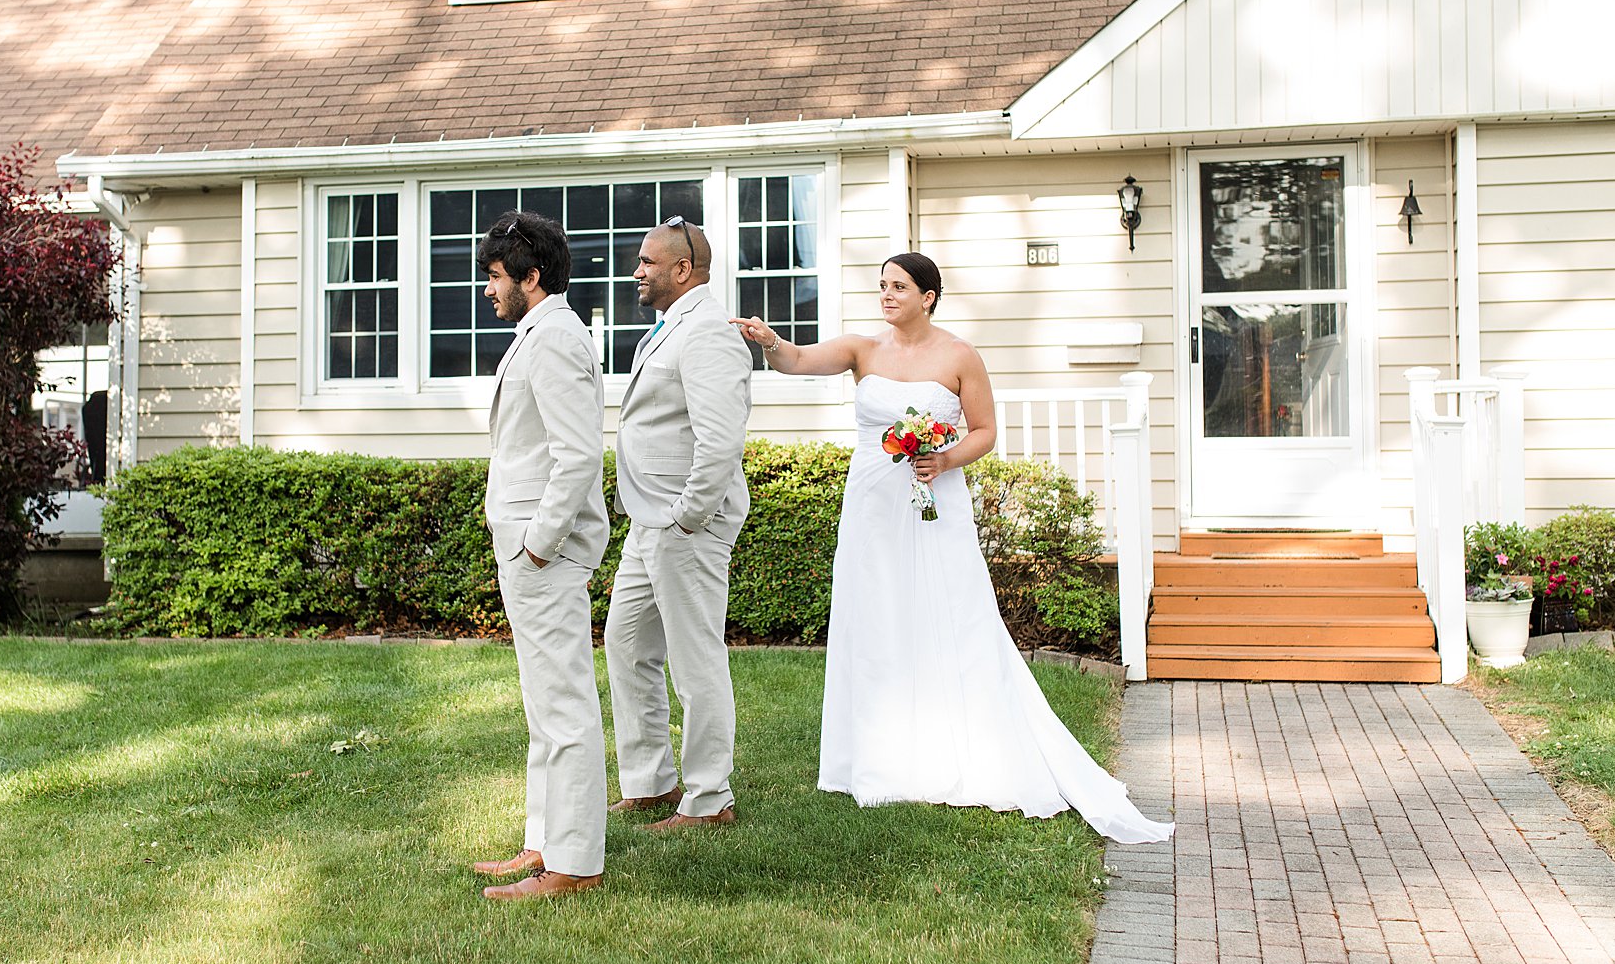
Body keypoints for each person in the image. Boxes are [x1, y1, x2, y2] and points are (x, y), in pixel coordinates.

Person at [732, 253, 1173, 843]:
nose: (887, 295)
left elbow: (985, 430)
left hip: (935, 502)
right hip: (871, 506)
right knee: (878, 614)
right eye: (883, 286)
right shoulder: (863, 349)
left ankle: (957, 746)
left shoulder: (959, 356)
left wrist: (943, 459)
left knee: (948, 611)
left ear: (929, 296)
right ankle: (878, 752)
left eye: (899, 286)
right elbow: (797, 361)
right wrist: (769, 341)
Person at [470, 212, 613, 899]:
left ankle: (576, 862)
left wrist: (538, 543)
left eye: (496, 277)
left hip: (544, 555)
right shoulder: (541, 332)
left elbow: (579, 452)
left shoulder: (554, 338)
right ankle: (543, 841)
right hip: (528, 550)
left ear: (532, 277)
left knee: (565, 705)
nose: (488, 291)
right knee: (542, 703)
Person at [607, 218, 753, 831]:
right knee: (627, 643)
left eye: (646, 262)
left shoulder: (710, 335)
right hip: (650, 523)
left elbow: (720, 442)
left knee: (695, 660)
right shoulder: (667, 329)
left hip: (683, 525)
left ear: (682, 270)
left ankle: (709, 797)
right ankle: (651, 781)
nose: (636, 272)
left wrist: (686, 517)